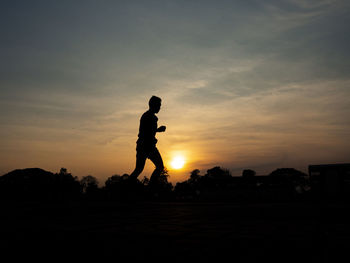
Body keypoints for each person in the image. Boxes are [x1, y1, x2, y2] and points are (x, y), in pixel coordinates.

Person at [129, 96, 166, 182]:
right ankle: (151, 188)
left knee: (139, 169)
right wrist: (157, 130)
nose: (160, 107)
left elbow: (148, 131)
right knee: (159, 166)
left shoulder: (149, 116)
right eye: (158, 105)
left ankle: (126, 187)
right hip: (147, 146)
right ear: (153, 105)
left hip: (144, 146)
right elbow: (146, 132)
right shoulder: (149, 117)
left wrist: (157, 130)